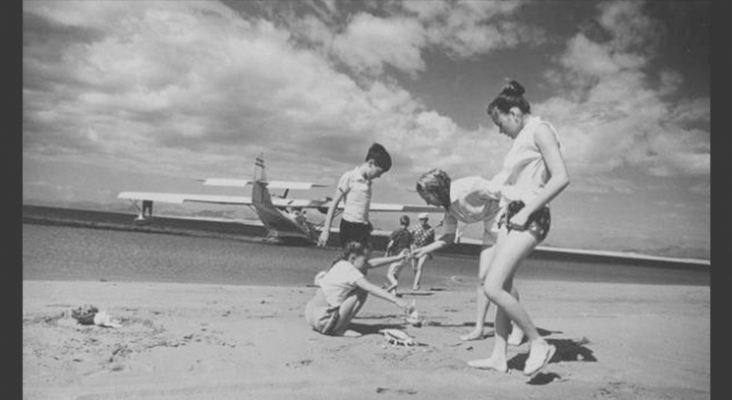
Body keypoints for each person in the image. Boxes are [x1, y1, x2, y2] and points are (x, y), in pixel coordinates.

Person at [466, 80, 570, 375]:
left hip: (531, 216)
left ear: (513, 112)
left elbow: (561, 177)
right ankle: (499, 356)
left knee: (492, 286)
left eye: (499, 122)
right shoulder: (522, 137)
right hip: (511, 215)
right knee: (504, 286)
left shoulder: (541, 129)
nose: (499, 129)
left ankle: (538, 342)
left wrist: (526, 211)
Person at [409, 169, 524, 344]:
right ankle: (479, 329)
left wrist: (522, 213)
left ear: (436, 190)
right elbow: (448, 237)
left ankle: (518, 326)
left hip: (505, 222)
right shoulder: (449, 207)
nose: (427, 202)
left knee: (502, 279)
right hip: (489, 227)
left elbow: (502, 191)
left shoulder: (469, 187)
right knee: (483, 279)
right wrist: (424, 250)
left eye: (427, 197)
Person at [305, 241, 415, 337]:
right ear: (353, 258)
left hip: (310, 316)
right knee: (361, 290)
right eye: (365, 260)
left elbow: (372, 263)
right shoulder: (351, 271)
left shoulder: (340, 264)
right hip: (324, 321)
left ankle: (336, 324)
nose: (367, 263)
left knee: (348, 291)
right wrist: (396, 300)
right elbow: (371, 288)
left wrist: (396, 258)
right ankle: (340, 329)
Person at [317, 143, 392, 248]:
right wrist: (326, 230)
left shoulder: (368, 183)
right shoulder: (349, 177)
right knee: (352, 259)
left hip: (362, 227)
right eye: (379, 172)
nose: (379, 176)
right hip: (349, 226)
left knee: (361, 260)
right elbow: (334, 204)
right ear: (371, 163)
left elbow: (360, 206)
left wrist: (366, 221)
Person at [384, 215, 414, 296]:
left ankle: (394, 284)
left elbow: (390, 244)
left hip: (398, 255)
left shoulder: (396, 232)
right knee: (396, 274)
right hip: (406, 256)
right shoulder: (409, 234)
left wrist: (386, 253)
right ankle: (394, 292)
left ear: (400, 222)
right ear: (408, 223)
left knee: (389, 274)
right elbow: (412, 246)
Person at [409, 213, 434, 291]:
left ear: (427, 220)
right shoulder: (414, 228)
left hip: (424, 250)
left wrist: (431, 252)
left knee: (420, 266)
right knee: (414, 268)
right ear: (419, 220)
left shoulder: (430, 230)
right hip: (414, 249)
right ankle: (417, 281)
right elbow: (409, 239)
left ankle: (415, 285)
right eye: (421, 219)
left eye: (425, 219)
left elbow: (432, 242)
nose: (423, 221)